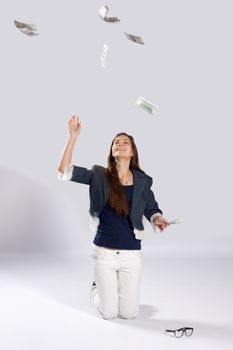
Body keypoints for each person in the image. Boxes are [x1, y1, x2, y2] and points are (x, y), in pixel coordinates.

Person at [58, 114, 169, 320]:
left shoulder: (143, 181)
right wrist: (72, 136)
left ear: (133, 152)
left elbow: (151, 208)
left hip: (131, 257)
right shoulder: (98, 175)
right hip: (104, 254)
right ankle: (96, 288)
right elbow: (64, 170)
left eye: (125, 142)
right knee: (109, 313)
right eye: (116, 142)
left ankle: (110, 289)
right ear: (112, 151)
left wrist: (157, 219)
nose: (120, 144)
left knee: (129, 313)